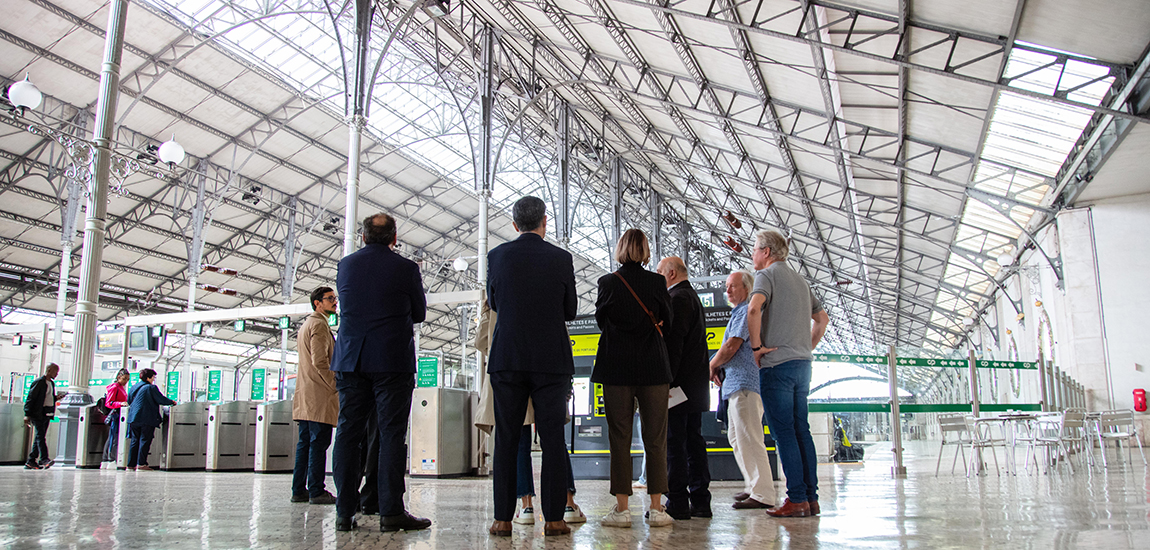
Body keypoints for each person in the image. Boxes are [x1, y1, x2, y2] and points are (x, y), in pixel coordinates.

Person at [330, 213, 430, 533]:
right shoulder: (406, 268)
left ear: (362, 237)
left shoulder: (346, 265)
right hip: (391, 360)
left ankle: (344, 512)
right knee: (390, 434)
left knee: (348, 433)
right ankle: (390, 511)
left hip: (351, 359)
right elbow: (419, 313)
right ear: (394, 238)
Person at [485, 196, 578, 537]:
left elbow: (494, 302)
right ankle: (554, 519)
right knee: (552, 439)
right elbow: (570, 310)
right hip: (551, 359)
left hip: (508, 357)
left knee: (507, 438)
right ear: (545, 221)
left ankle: (502, 519)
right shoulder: (561, 258)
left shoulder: (497, 256)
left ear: (514, 224)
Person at [592, 228, 674, 528]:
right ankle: (657, 509)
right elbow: (668, 320)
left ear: (621, 249)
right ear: (645, 251)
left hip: (617, 368)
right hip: (654, 368)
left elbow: (601, 321)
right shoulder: (657, 282)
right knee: (656, 439)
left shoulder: (608, 282)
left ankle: (622, 509)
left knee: (620, 438)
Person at [746, 230, 830, 517]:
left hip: (777, 365)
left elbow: (754, 309)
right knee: (801, 430)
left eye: (755, 249)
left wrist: (756, 347)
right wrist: (805, 346)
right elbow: (822, 320)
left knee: (783, 433)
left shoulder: (765, 276)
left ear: (767, 252)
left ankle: (796, 498)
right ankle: (810, 498)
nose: (753, 254)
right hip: (802, 365)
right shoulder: (800, 280)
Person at [709, 270, 776, 510]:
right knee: (737, 438)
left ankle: (763, 493)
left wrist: (712, 364)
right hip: (735, 385)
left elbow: (732, 345)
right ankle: (753, 485)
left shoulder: (747, 311)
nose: (727, 290)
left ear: (747, 289)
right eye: (726, 286)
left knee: (750, 437)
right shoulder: (737, 313)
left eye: (733, 286)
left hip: (745, 383)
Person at [655, 256, 713, 519]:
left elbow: (674, 345)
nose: (657, 276)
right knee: (694, 443)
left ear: (671, 273)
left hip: (678, 388)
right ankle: (701, 500)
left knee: (674, 444)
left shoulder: (677, 299)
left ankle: (677, 501)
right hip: (695, 387)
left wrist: (666, 381)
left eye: (659, 272)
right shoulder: (693, 297)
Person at [291, 286, 340, 505]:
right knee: (318, 444)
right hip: (318, 395)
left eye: (334, 298)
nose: (334, 302)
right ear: (317, 303)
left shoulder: (306, 325)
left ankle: (299, 489)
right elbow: (320, 361)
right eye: (330, 299)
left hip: (305, 394)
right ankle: (316, 490)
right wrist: (335, 384)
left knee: (305, 444)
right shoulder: (319, 325)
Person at [126, 368, 177, 471]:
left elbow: (129, 400)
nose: (154, 379)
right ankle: (141, 464)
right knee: (145, 440)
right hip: (146, 418)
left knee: (135, 441)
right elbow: (160, 399)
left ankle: (130, 465)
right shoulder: (151, 388)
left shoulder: (134, 387)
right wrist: (172, 402)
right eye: (153, 377)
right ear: (148, 378)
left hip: (133, 418)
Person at [23, 362, 66, 470]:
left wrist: (56, 398)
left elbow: (47, 397)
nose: (56, 374)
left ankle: (31, 461)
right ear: (49, 370)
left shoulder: (51, 383)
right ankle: (44, 459)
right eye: (55, 372)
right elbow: (31, 398)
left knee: (39, 437)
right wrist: (27, 414)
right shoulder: (39, 382)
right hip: (38, 413)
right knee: (40, 436)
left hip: (47, 413)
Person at [103, 369, 130, 462]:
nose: (126, 381)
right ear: (119, 377)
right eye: (124, 378)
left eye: (127, 379)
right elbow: (109, 403)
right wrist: (120, 404)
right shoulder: (115, 387)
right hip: (116, 414)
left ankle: (108, 458)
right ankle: (110, 459)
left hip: (119, 414)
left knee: (114, 437)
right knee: (113, 437)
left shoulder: (120, 387)